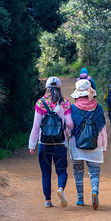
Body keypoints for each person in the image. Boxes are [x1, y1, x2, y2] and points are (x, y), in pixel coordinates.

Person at [28, 77, 73, 208]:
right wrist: (68, 132)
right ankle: (60, 189)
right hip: (60, 143)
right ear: (59, 88)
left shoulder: (40, 103)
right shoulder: (65, 103)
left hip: (44, 143)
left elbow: (36, 126)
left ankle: (48, 200)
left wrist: (32, 145)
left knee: (45, 173)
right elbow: (69, 123)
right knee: (62, 171)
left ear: (46, 88)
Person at [69, 79, 107, 210]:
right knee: (94, 171)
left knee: (78, 171)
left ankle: (80, 199)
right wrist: (104, 146)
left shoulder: (73, 108)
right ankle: (95, 191)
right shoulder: (98, 108)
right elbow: (103, 130)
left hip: (76, 145)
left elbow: (69, 126)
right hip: (95, 144)